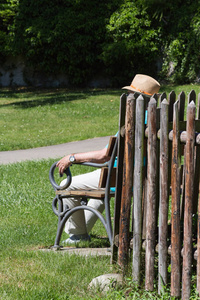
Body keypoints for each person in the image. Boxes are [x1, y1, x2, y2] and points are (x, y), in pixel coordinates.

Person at [56, 74, 160, 244]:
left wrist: (72, 158)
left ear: (137, 97)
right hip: (144, 178)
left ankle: (78, 235)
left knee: (66, 186)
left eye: (130, 94)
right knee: (103, 186)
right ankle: (80, 231)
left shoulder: (133, 122)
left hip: (121, 177)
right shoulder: (160, 122)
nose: (128, 97)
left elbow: (104, 155)